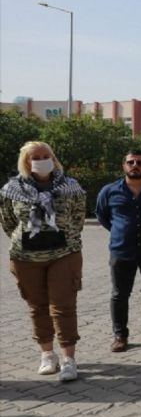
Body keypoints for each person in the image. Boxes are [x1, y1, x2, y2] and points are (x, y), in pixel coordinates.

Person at [0, 142, 86, 382]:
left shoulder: (71, 186)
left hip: (64, 254)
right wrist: (30, 241)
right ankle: (48, 355)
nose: (40, 159)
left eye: (45, 155)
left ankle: (69, 358)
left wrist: (64, 237)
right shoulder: (11, 189)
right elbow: (7, 221)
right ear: (26, 162)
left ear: (53, 157)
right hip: (26, 258)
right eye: (35, 157)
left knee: (63, 306)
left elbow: (78, 217)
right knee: (37, 307)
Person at [96, 150, 141, 353]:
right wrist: (120, 231)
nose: (135, 165)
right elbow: (102, 216)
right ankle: (120, 335)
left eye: (140, 162)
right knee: (120, 294)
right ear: (124, 165)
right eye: (131, 162)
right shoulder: (109, 191)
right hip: (122, 251)